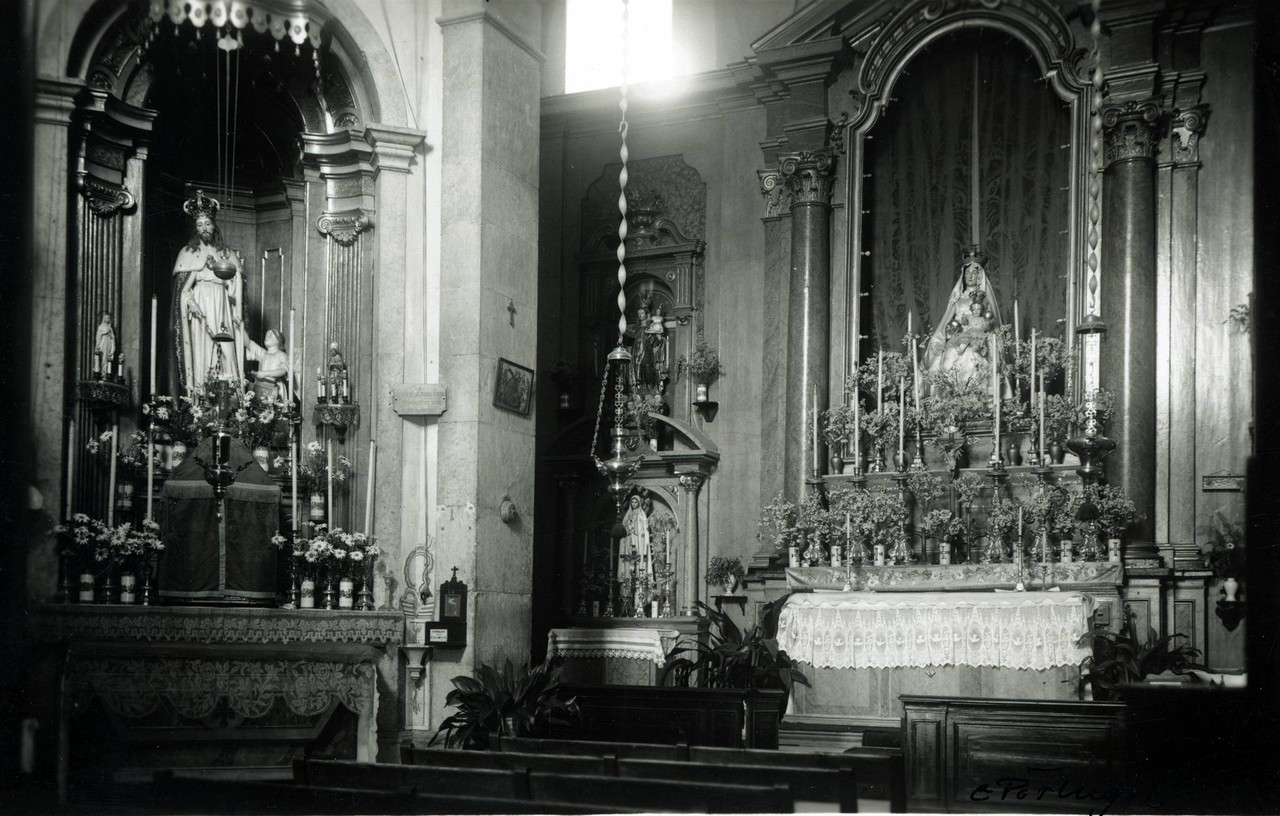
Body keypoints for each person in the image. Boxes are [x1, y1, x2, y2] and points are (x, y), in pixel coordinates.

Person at [173, 190, 246, 395]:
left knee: (226, 349)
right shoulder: (189, 253)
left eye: (207, 223)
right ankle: (201, 394)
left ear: (214, 225)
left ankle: (230, 395)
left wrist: (237, 305)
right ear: (195, 229)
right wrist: (191, 303)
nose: (204, 228)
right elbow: (184, 289)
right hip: (201, 307)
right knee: (203, 348)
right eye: (199, 224)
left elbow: (237, 284)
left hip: (222, 304)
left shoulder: (226, 253)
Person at [922, 248, 1012, 398]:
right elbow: (947, 323)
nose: (970, 276)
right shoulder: (958, 299)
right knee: (950, 354)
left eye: (974, 273)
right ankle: (953, 398)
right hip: (960, 338)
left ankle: (978, 398)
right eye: (967, 273)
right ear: (963, 275)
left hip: (980, 338)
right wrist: (944, 336)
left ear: (980, 276)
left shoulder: (984, 301)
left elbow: (990, 322)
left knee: (972, 355)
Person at [245, 329, 294, 404]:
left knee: (275, 412)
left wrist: (265, 373)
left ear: (278, 340)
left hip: (276, 388)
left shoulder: (282, 355)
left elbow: (283, 370)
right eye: (266, 334)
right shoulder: (263, 354)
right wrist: (240, 327)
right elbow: (249, 344)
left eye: (270, 335)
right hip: (261, 387)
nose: (266, 336)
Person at [93, 312, 115, 379]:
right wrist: (98, 345)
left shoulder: (110, 328)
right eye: (105, 318)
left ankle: (104, 374)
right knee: (102, 358)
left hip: (108, 343)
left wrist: (110, 335)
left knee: (106, 358)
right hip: (103, 343)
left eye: (108, 318)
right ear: (103, 319)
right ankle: (100, 373)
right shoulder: (101, 327)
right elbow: (98, 336)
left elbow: (113, 337)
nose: (107, 319)